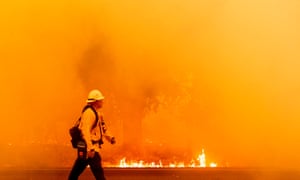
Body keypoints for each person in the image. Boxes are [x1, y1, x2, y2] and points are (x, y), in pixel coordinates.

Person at [69, 89, 116, 180]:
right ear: (95, 101)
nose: (102, 101)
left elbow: (103, 128)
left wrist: (110, 138)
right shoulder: (89, 113)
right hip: (90, 150)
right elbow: (85, 131)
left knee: (74, 174)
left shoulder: (97, 113)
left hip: (89, 150)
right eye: (100, 100)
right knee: (99, 175)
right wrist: (90, 148)